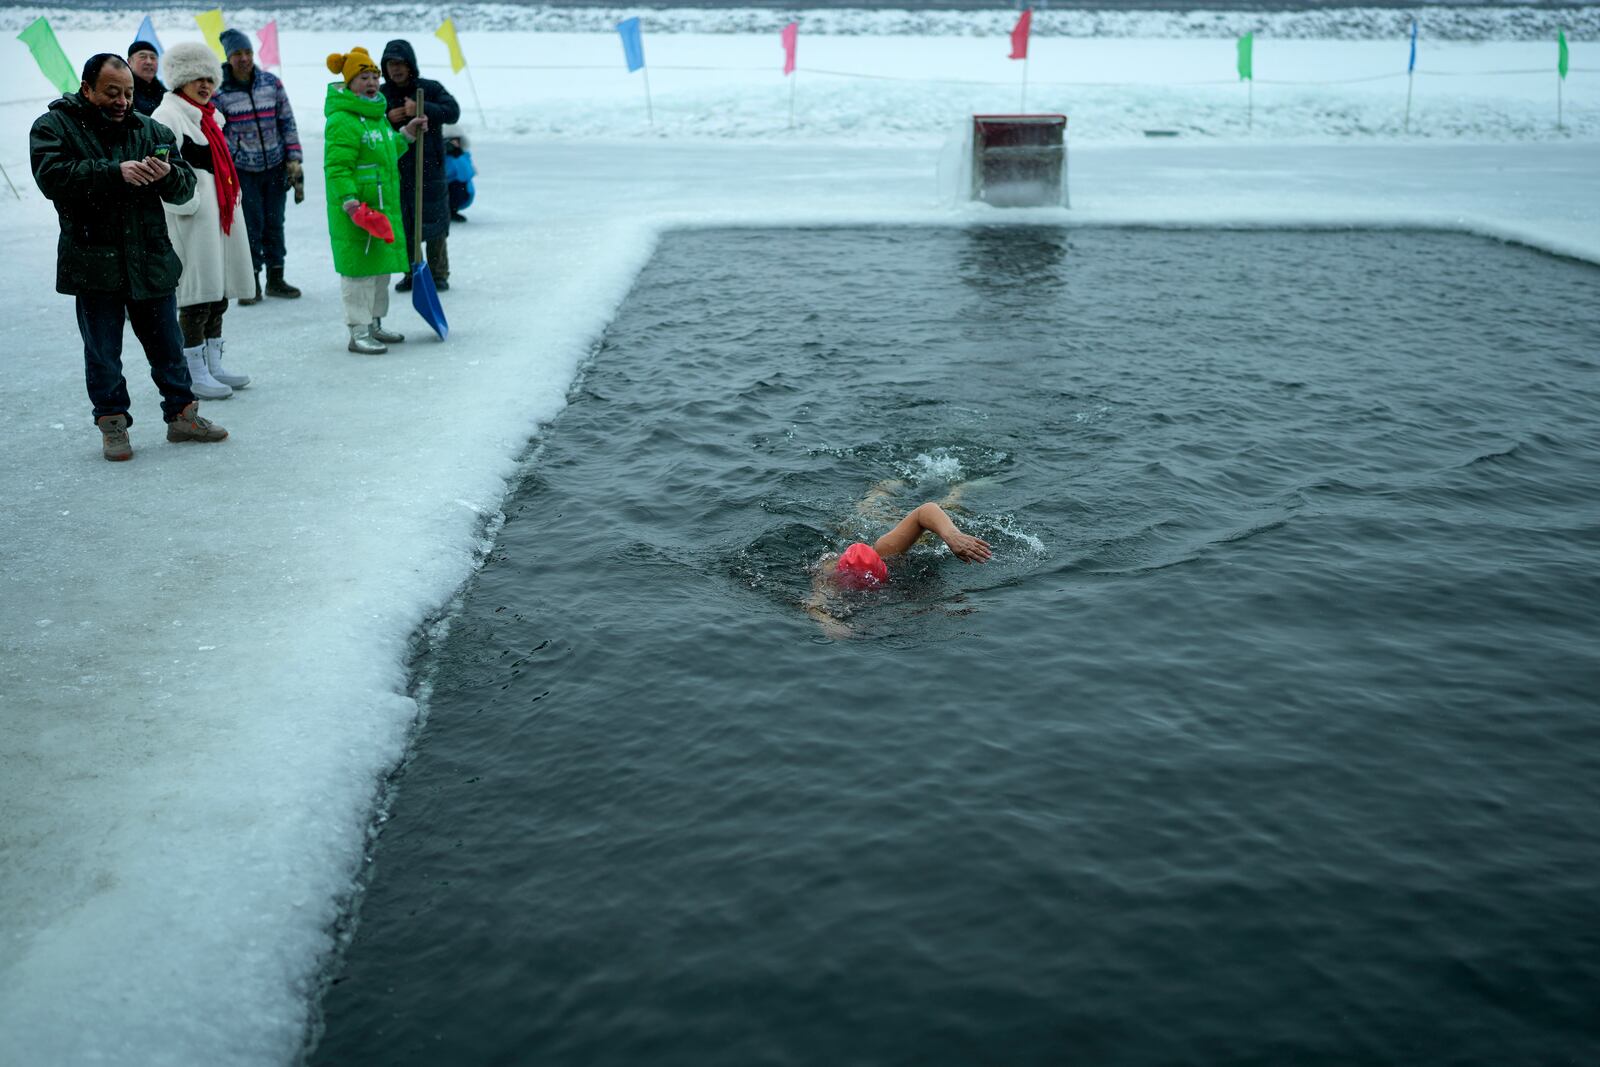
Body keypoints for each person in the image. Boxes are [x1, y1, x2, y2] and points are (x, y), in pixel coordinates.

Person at [30, 53, 227, 461]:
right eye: (112, 93)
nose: (122, 101)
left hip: (149, 256)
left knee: (168, 347)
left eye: (129, 93)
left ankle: (182, 416)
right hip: (93, 261)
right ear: (87, 89)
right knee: (103, 352)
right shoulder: (54, 127)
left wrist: (168, 175)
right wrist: (111, 172)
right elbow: (52, 177)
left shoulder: (150, 128)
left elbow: (184, 186)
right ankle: (112, 424)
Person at [153, 42, 256, 399]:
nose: (205, 85)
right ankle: (193, 373)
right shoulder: (167, 117)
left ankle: (213, 366)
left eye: (209, 79)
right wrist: (190, 203)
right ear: (180, 80)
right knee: (196, 298)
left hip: (219, 218)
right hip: (192, 223)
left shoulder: (209, 117)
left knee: (218, 294)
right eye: (196, 78)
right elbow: (162, 174)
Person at [323, 48, 428, 354]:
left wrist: (405, 134)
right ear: (350, 82)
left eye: (374, 77)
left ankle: (375, 324)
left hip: (381, 207)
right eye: (363, 77)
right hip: (357, 210)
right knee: (359, 271)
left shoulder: (376, 115)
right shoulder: (343, 120)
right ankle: (357, 331)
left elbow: (384, 154)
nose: (371, 82)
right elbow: (337, 167)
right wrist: (350, 201)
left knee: (380, 268)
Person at [805, 483, 992, 635]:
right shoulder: (829, 575)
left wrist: (952, 535)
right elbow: (814, 605)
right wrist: (831, 625)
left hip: (891, 531)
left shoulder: (886, 552)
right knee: (864, 512)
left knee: (948, 505)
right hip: (867, 535)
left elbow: (926, 511)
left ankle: (958, 487)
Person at [213, 27, 303, 304]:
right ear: (228, 57)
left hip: (275, 166)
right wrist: (230, 159)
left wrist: (294, 158)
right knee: (250, 226)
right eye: (237, 53)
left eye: (248, 52)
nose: (244, 58)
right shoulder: (220, 91)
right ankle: (250, 282)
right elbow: (216, 132)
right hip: (243, 171)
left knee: (275, 223)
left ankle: (276, 278)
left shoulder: (270, 83)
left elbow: (286, 121)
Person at [379, 39, 460, 292]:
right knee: (404, 224)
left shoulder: (430, 88)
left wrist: (422, 108)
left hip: (430, 169)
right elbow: (366, 123)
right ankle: (412, 273)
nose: (396, 69)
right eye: (391, 64)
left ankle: (438, 274)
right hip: (398, 170)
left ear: (410, 64)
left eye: (400, 63)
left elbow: (453, 111)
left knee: (434, 223)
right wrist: (386, 118)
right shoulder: (381, 94)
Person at [443, 125, 475, 223]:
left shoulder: (463, 155)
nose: (452, 144)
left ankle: (452, 210)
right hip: (439, 188)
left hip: (458, 192)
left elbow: (466, 176)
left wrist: (457, 156)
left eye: (455, 140)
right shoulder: (436, 156)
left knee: (458, 186)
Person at [127, 39, 165, 116]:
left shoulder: (166, 93)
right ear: (129, 62)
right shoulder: (125, 92)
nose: (149, 62)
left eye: (153, 58)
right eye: (143, 57)